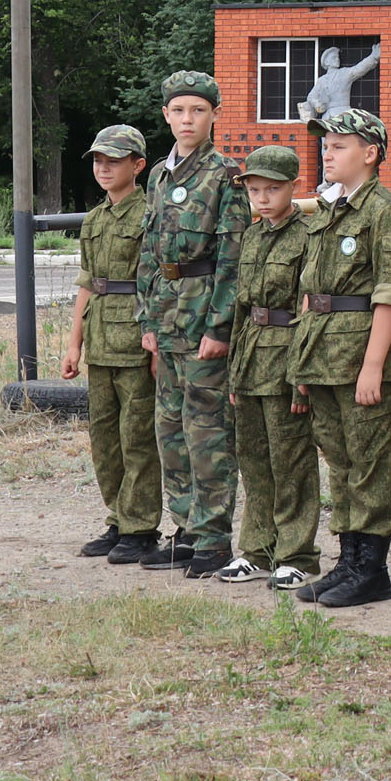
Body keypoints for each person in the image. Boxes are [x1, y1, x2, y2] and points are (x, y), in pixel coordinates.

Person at [290, 109, 391, 609]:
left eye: (340, 145)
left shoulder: (384, 212)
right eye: (327, 144)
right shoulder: (327, 211)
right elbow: (309, 292)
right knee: (339, 461)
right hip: (320, 352)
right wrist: (300, 360)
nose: (328, 152)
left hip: (358, 354)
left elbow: (389, 293)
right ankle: (348, 559)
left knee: (370, 461)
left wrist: (372, 365)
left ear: (370, 153)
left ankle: (371, 568)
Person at [134, 70, 247, 579]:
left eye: (197, 111)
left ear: (213, 116)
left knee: (208, 435)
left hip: (203, 317)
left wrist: (220, 328)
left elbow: (232, 257)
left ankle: (213, 538)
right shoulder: (159, 175)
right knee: (171, 434)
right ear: (166, 116)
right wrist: (148, 320)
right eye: (179, 111)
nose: (187, 119)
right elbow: (150, 253)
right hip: (168, 319)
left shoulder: (225, 176)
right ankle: (184, 530)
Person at [222, 145, 321, 588]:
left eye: (272, 189)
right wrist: (233, 372)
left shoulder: (310, 235)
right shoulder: (253, 236)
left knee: (291, 459)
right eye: (254, 190)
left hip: (286, 358)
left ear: (293, 187)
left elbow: (309, 311)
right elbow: (244, 307)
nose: (262, 198)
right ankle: (257, 550)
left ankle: (297, 553)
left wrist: (301, 376)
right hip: (250, 356)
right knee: (254, 459)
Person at [59, 125, 158, 565]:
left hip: (135, 340)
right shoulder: (95, 219)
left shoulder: (149, 215)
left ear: (137, 166)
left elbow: (156, 283)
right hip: (100, 339)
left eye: (113, 161)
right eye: (98, 161)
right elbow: (87, 284)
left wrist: (156, 343)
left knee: (137, 437)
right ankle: (118, 518)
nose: (103, 168)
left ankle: (141, 527)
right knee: (104, 438)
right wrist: (73, 345)